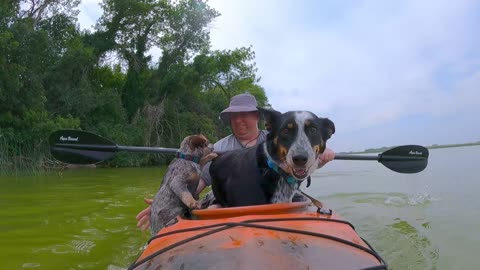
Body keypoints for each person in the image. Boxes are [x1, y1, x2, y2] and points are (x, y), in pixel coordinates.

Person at [136, 93, 335, 230]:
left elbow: (305, 152)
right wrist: (166, 202)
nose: (239, 120)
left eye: (245, 115)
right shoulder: (218, 148)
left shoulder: (279, 135)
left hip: (283, 190)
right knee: (215, 210)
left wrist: (323, 156)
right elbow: (200, 183)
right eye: (234, 116)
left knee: (308, 208)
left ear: (257, 117)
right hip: (226, 197)